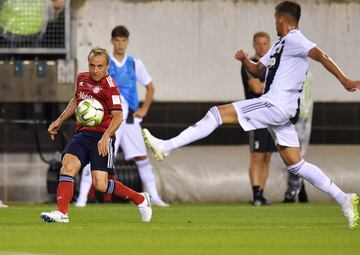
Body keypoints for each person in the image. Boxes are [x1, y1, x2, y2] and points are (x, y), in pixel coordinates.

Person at [142, 1, 360, 228]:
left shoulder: (295, 38)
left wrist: (345, 81)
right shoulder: (279, 45)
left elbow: (320, 55)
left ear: (282, 19)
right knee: (295, 164)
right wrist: (245, 59)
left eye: (276, 18)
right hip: (280, 111)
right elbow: (258, 70)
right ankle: (343, 198)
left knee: (216, 114)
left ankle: (166, 146)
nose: (274, 22)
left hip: (274, 105)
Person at [40, 47, 152, 223]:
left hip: (102, 137)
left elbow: (118, 116)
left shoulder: (110, 87)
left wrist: (106, 136)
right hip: (82, 134)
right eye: (92, 65)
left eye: (99, 66)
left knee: (101, 184)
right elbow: (76, 100)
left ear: (107, 66)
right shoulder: (82, 78)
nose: (95, 70)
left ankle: (140, 199)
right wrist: (60, 120)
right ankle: (62, 213)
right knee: (67, 167)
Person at [76, 25, 168, 207]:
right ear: (112, 41)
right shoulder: (104, 63)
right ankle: (82, 198)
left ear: (127, 41)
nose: (120, 44)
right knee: (97, 153)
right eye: (117, 40)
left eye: (123, 40)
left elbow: (150, 87)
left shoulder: (135, 63)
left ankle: (155, 196)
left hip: (131, 118)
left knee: (141, 156)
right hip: (109, 117)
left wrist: (145, 109)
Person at [239, 31, 275, 206]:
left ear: (270, 45)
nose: (262, 47)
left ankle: (261, 192)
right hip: (255, 116)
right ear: (254, 45)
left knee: (268, 155)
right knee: (257, 155)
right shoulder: (250, 64)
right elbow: (256, 87)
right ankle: (255, 194)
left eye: (265, 43)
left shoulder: (272, 64)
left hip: (271, 117)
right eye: (259, 43)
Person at [283, 74, 312, 203]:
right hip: (300, 115)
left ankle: (293, 191)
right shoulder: (306, 73)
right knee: (295, 156)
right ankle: (301, 190)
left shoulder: (297, 72)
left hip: (297, 116)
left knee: (294, 156)